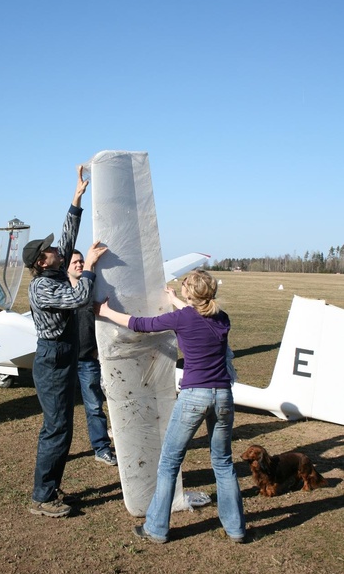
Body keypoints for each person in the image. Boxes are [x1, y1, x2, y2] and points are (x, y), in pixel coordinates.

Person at [96, 270, 246, 544]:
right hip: (223, 395)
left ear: (191, 294)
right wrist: (175, 299)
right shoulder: (222, 318)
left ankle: (156, 528)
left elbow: (139, 323)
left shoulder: (184, 317)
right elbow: (197, 313)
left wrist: (106, 311)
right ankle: (236, 529)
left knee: (169, 462)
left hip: (194, 397)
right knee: (223, 463)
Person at [23, 166, 107, 519]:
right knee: (56, 429)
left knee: (62, 428)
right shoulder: (45, 286)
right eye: (50, 250)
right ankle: (43, 497)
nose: (57, 249)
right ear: (42, 262)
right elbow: (80, 297)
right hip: (54, 358)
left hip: (62, 355)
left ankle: (50, 488)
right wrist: (88, 266)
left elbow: (67, 235)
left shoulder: (52, 269)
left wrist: (77, 195)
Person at [67, 250, 117, 466]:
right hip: (64, 362)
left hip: (88, 360)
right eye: (75, 262)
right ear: (65, 267)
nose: (79, 265)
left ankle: (101, 448)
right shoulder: (60, 292)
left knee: (94, 406)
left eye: (82, 261)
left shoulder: (92, 288)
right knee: (60, 411)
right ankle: (59, 452)